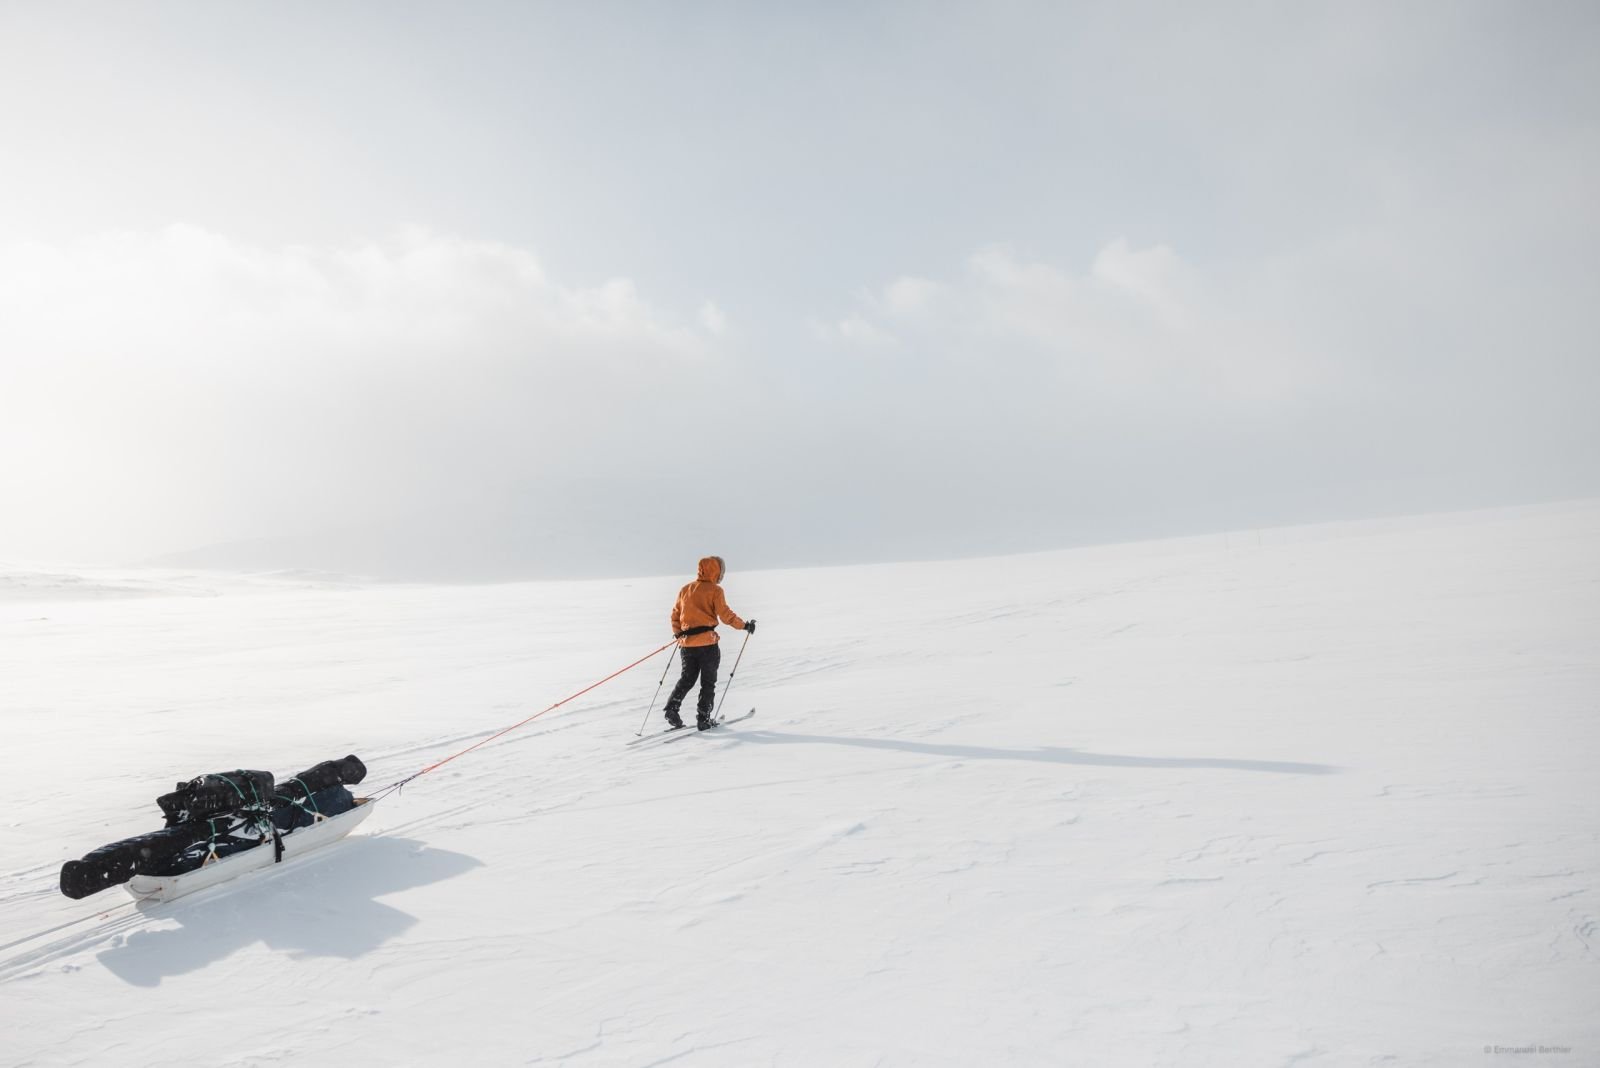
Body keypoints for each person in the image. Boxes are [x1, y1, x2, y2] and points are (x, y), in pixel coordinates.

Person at [665, 555, 755, 730]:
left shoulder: (685, 589)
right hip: (707, 645)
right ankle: (703, 719)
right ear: (716, 571)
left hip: (687, 645)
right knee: (708, 682)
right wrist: (744, 625)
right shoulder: (715, 590)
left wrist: (678, 633)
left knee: (687, 679)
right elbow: (725, 615)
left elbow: (675, 615)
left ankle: (671, 709)